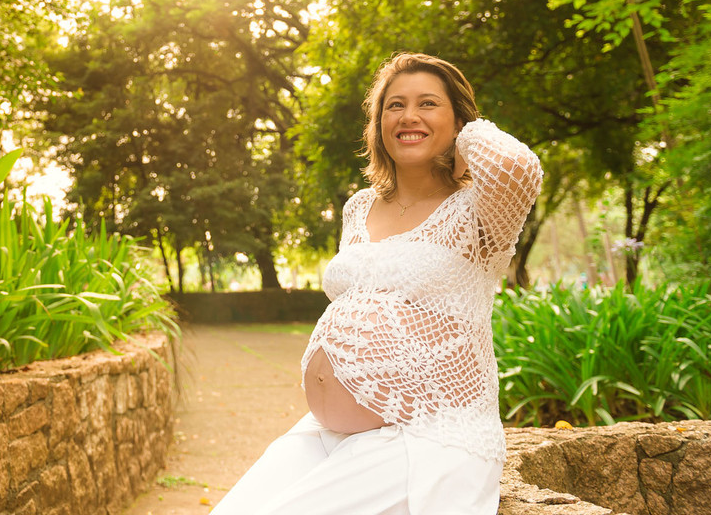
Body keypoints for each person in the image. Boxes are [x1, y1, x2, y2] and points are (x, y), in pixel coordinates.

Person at [211, 52, 542, 515]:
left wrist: (467, 134)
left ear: (459, 120)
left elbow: (518, 165)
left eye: (428, 104)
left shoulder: (478, 211)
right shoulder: (360, 206)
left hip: (428, 436)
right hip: (329, 432)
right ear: (377, 123)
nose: (408, 116)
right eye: (394, 106)